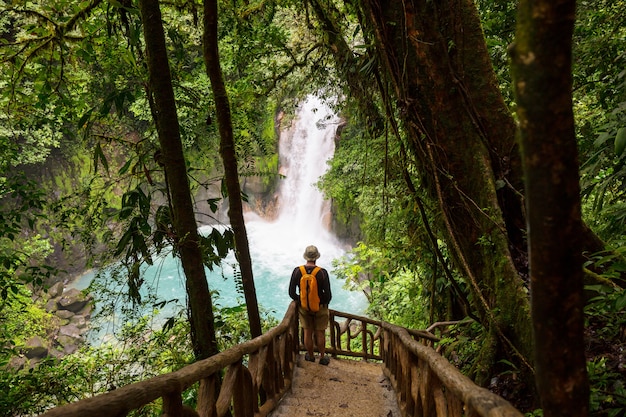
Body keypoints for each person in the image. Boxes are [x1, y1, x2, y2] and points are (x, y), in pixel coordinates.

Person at [289, 245, 332, 365]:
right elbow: (328, 295)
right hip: (320, 307)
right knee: (320, 332)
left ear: (306, 257)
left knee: (307, 332)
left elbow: (291, 292)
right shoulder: (322, 273)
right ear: (316, 257)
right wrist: (321, 303)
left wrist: (301, 300)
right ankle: (322, 357)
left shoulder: (298, 271)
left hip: (304, 308)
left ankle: (311, 356)